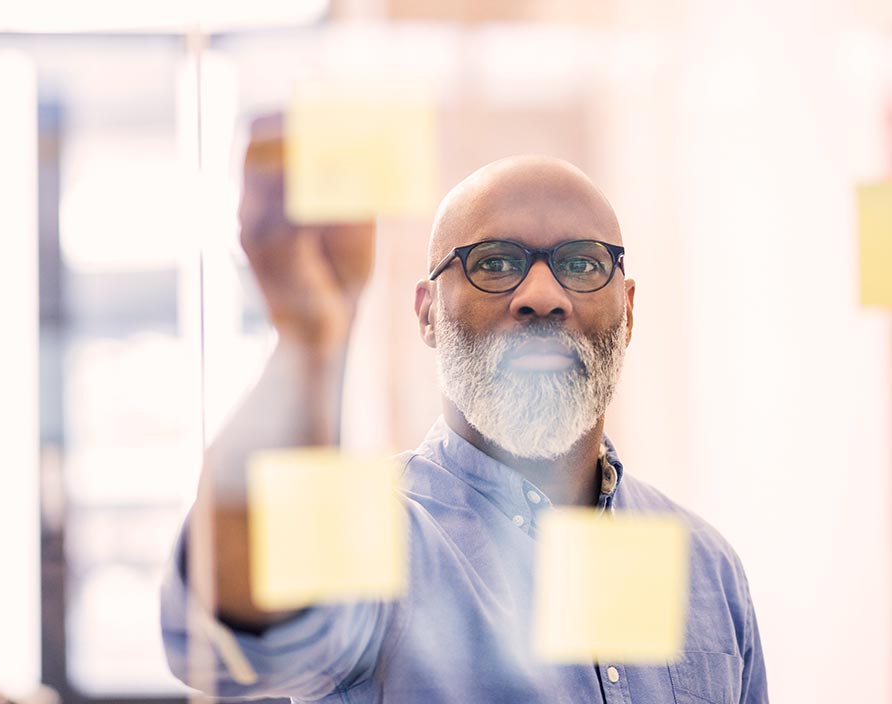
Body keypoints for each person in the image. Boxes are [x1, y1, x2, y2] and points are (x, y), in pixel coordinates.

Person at [160, 121, 769, 703]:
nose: (541, 297)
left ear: (629, 311)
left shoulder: (706, 567)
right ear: (428, 312)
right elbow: (230, 632)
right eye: (495, 263)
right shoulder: (374, 535)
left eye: (582, 263)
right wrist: (308, 341)